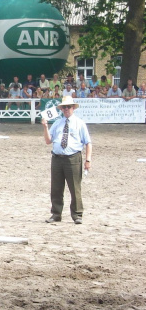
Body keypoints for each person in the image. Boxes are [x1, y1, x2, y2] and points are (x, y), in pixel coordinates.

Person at [41, 96, 92, 224]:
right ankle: (56, 213)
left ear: (73, 108)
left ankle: (77, 214)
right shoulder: (57, 123)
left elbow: (88, 142)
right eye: (64, 107)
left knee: (75, 187)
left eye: (68, 107)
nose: (66, 109)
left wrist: (88, 160)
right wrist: (45, 127)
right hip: (57, 158)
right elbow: (48, 141)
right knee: (56, 187)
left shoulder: (79, 123)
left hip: (73, 158)